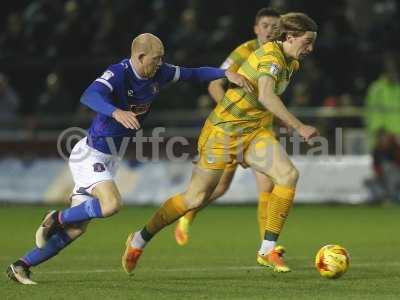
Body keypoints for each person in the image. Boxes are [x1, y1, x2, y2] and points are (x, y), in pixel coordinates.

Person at [6, 33, 251, 285]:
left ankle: (21, 265)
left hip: (110, 156)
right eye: (155, 59)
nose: (159, 64)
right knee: (111, 204)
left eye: (162, 59)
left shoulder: (159, 72)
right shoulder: (118, 73)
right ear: (140, 56)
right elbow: (89, 95)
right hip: (91, 154)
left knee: (76, 229)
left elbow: (193, 73)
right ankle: (56, 217)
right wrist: (116, 111)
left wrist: (224, 74)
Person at [123, 13, 319, 274]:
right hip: (223, 133)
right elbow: (265, 94)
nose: (310, 49)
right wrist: (299, 126)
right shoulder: (269, 56)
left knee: (287, 175)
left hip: (254, 133)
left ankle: (267, 249)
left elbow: (264, 101)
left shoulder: (291, 63)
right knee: (195, 197)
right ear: (290, 37)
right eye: (307, 42)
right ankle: (139, 239)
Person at [174, 7, 281, 246]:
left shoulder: (282, 55)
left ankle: (269, 247)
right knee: (220, 187)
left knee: (268, 184)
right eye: (266, 26)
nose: (270, 31)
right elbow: (214, 84)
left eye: (275, 27)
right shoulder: (245, 51)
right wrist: (233, 113)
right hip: (234, 129)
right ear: (256, 29)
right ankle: (187, 215)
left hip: (262, 131)